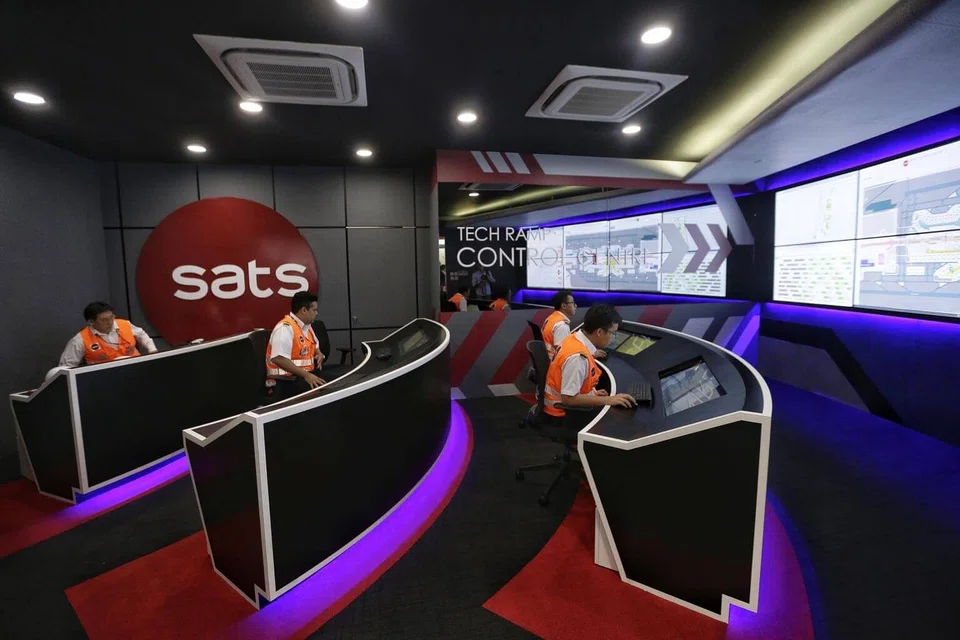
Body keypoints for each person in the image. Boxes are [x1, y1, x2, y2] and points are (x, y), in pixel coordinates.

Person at [544, 304, 636, 419]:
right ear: (599, 332)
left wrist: (592, 394)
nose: (614, 338)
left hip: (564, 405)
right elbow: (568, 399)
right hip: (561, 414)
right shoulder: (578, 358)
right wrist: (608, 400)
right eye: (613, 333)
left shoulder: (574, 337)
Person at [266, 291, 326, 402]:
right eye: (314, 310)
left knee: (332, 385)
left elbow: (315, 345)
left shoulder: (307, 327)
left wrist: (319, 354)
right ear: (304, 310)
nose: (317, 313)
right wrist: (306, 375)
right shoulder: (285, 328)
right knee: (323, 393)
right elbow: (278, 358)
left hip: (302, 376)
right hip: (285, 381)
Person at [59, 301, 157, 367]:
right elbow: (66, 366)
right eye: (104, 320)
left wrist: (152, 350)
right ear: (91, 322)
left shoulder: (125, 324)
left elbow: (141, 334)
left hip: (136, 367)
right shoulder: (80, 340)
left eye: (111, 317)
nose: (110, 322)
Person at [541, 290, 575, 359]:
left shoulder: (551, 318)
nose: (575, 305)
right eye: (573, 303)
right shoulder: (561, 325)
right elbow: (562, 353)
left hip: (546, 357)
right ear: (564, 306)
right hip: (553, 362)